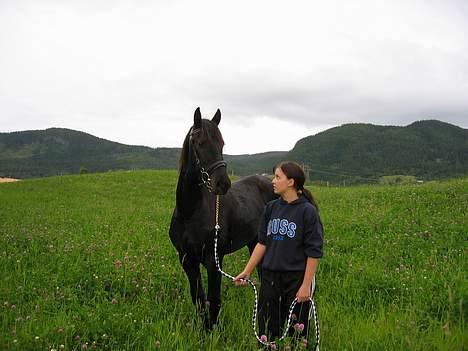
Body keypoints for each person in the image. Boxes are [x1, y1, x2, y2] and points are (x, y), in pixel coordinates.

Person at [234, 161, 323, 346]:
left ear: (291, 182)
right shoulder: (271, 208)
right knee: (267, 328)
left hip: (296, 278)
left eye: (277, 177)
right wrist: (247, 270)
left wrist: (306, 285)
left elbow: (314, 252)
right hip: (270, 276)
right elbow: (262, 243)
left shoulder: (307, 211)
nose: (273, 181)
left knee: (296, 330)